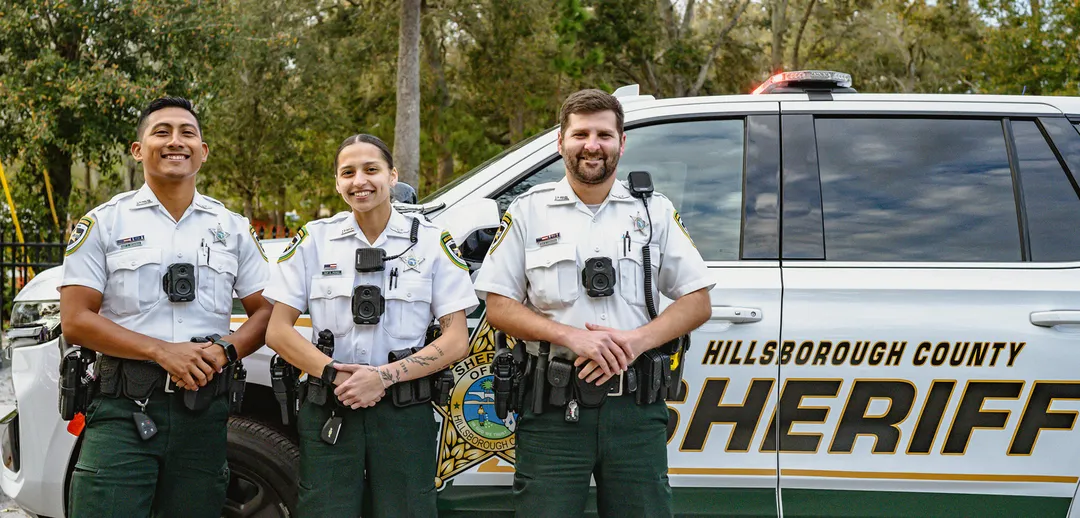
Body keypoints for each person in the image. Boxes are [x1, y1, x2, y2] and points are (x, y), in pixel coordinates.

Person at [474, 89, 714, 517]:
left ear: (622, 143)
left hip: (635, 413)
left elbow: (697, 301)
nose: (592, 145)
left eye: (604, 134)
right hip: (551, 413)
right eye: (580, 133)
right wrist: (572, 338)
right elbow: (498, 306)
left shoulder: (654, 211)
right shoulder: (530, 211)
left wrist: (636, 342)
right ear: (560, 142)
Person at [59, 96, 273, 517]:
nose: (176, 141)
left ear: (203, 151)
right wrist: (161, 350)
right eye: (162, 132)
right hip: (123, 411)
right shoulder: (105, 222)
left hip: (203, 414)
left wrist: (225, 350)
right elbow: (76, 320)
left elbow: (267, 312)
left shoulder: (232, 228)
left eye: (187, 132)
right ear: (138, 150)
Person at [263, 134, 478, 517]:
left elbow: (457, 338)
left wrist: (383, 377)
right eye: (348, 172)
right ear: (337, 182)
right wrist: (332, 374)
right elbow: (277, 330)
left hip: (403, 413)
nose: (359, 180)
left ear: (393, 176)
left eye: (371, 169)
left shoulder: (429, 242)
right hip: (331, 405)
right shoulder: (315, 240)